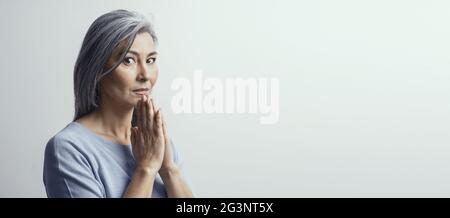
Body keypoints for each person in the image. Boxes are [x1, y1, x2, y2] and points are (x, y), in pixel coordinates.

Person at [43, 9, 194, 198]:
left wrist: (169, 169)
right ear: (97, 69)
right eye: (128, 60)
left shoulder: (155, 139)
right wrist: (146, 168)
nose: (145, 75)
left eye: (151, 60)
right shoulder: (68, 149)